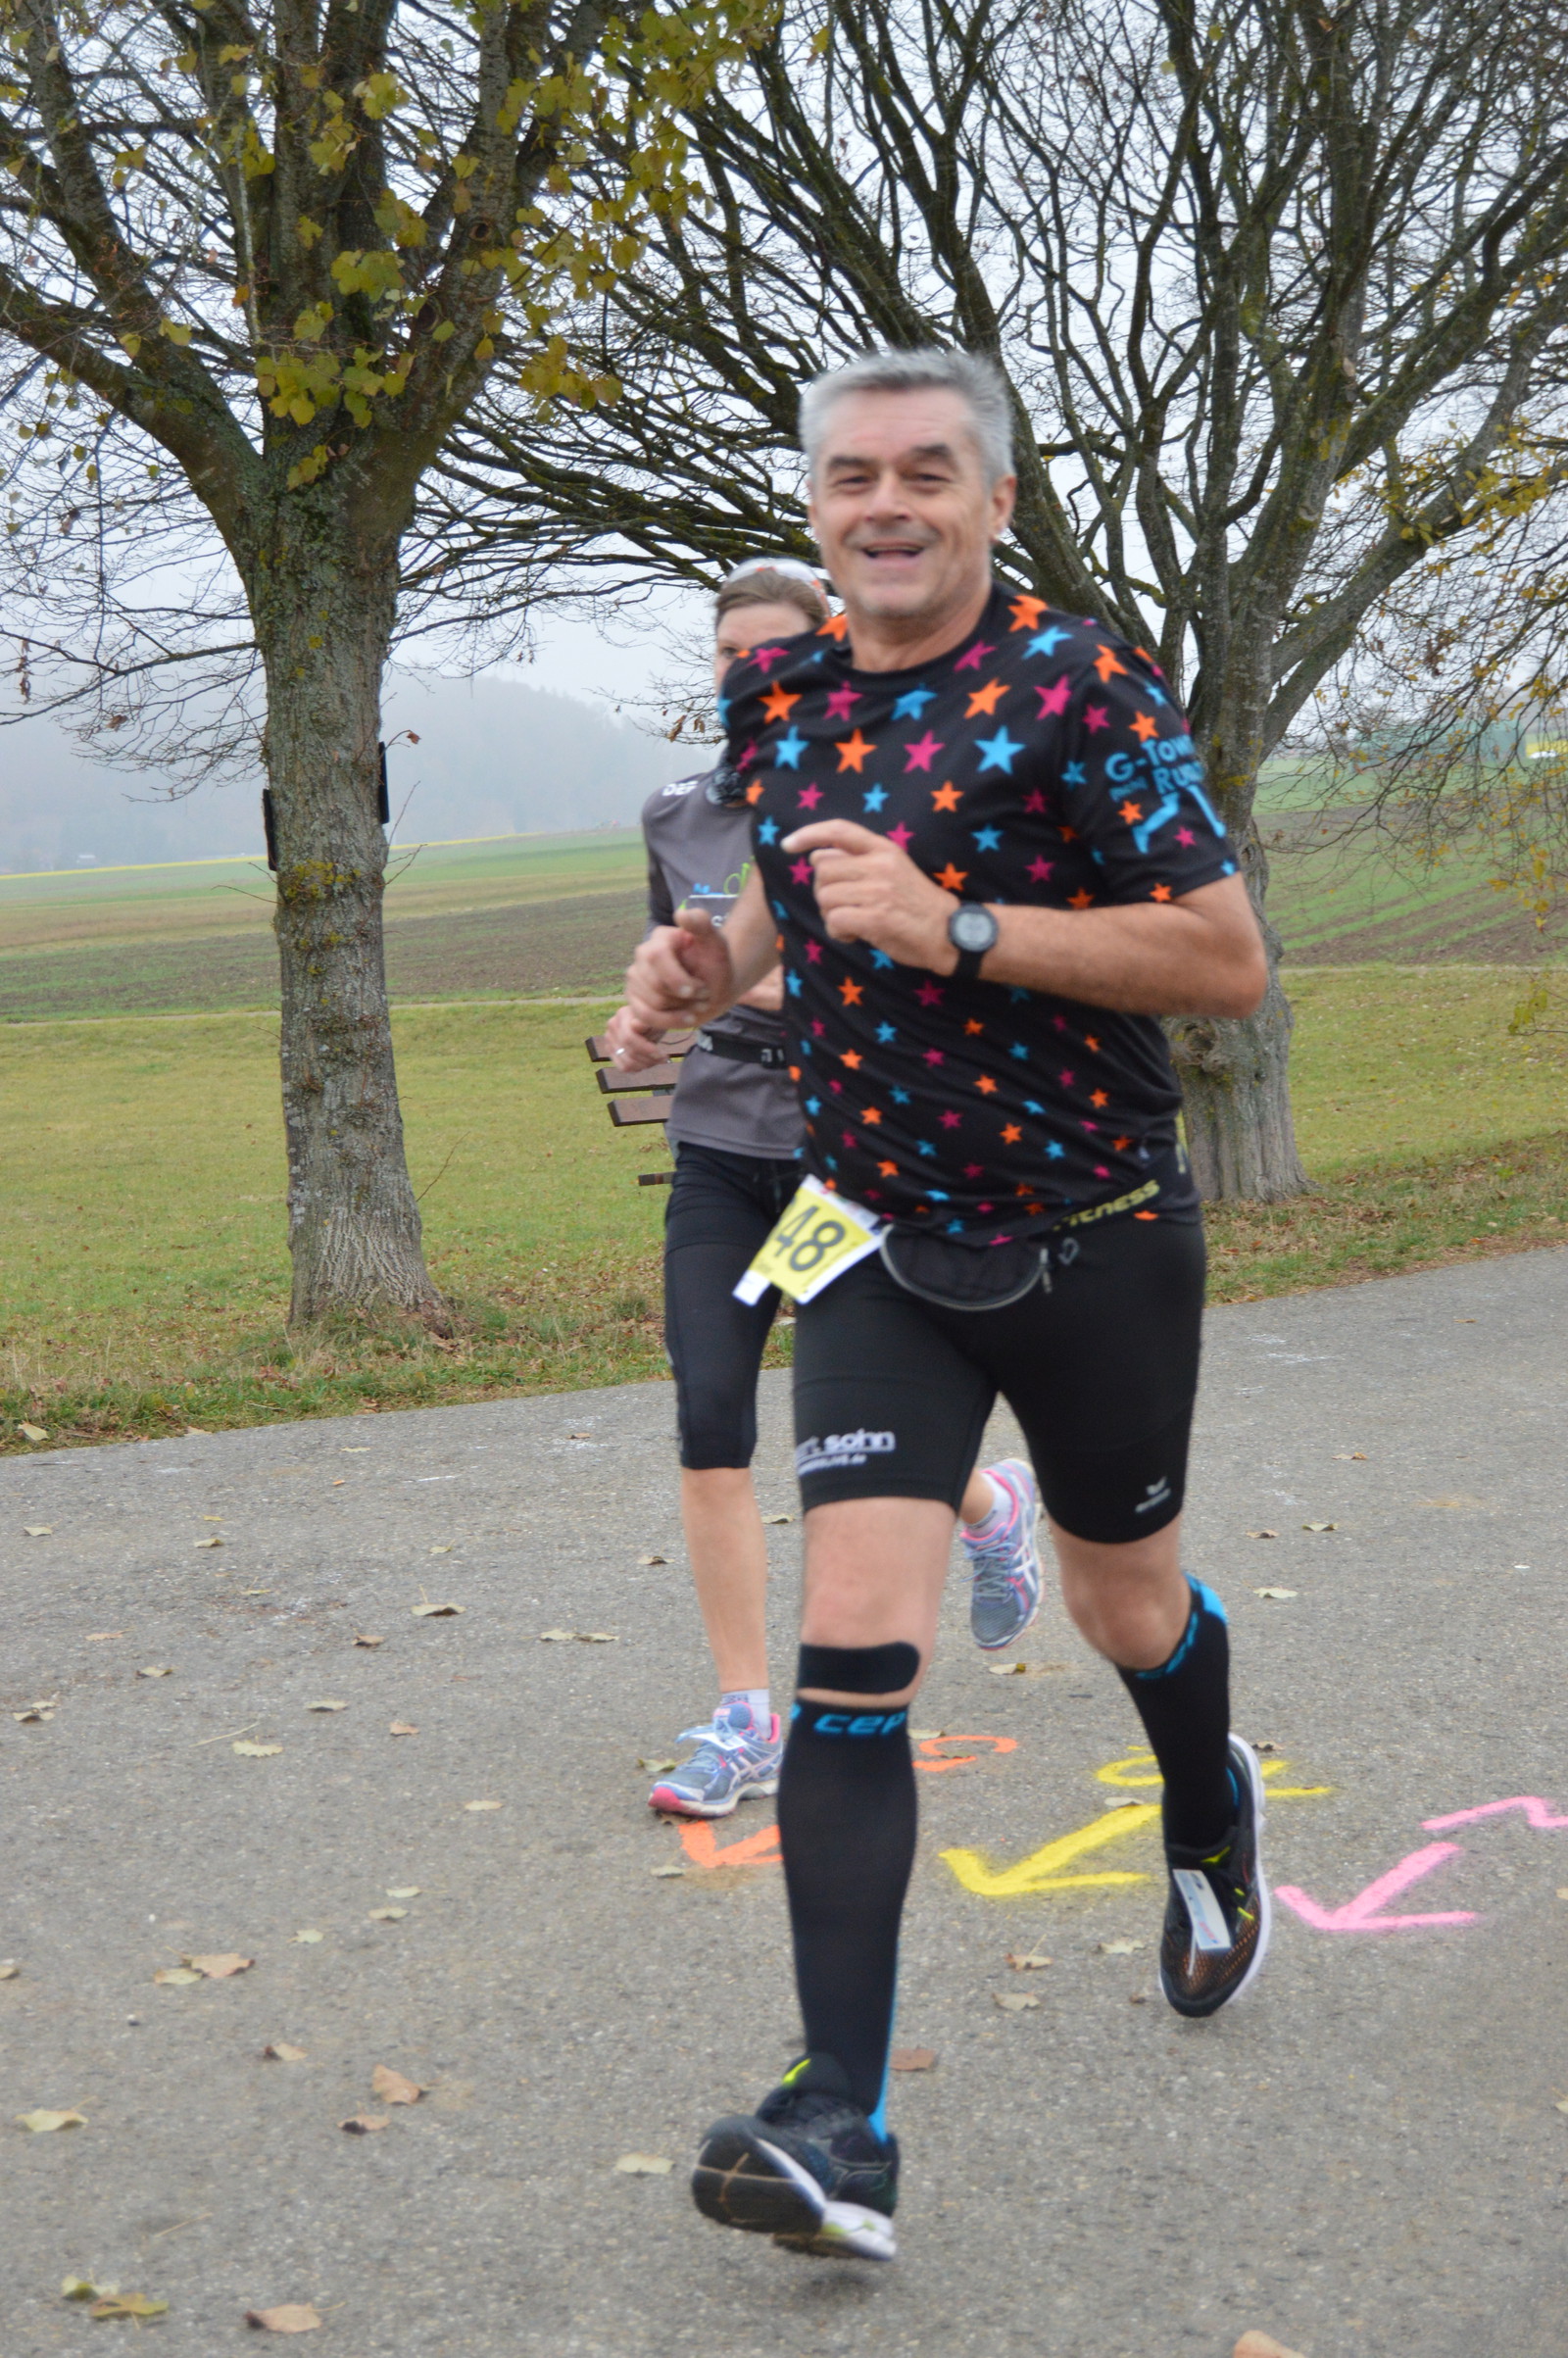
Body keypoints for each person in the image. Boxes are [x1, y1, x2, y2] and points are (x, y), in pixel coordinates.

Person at [621, 348, 1271, 2262]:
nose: (885, 503)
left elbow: (1222, 957)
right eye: (852, 476)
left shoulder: (1079, 686)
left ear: (991, 499)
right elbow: (780, 899)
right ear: (818, 507)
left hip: (1096, 1234)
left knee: (1121, 1604)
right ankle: (842, 2122)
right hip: (876, 1239)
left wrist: (956, 927)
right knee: (853, 1646)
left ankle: (1205, 1803)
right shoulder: (783, 690)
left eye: (924, 471)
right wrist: (703, 966)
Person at [607, 559, 1037, 1823]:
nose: (752, 675)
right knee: (710, 1412)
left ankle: (984, 1503)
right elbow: (675, 967)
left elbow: (908, 977)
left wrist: (738, 979)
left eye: (776, 653)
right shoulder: (676, 814)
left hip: (836, 1164)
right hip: (715, 1151)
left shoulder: (885, 801)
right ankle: (748, 1717)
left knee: (838, 1422)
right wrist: (646, 1019)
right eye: (729, 655)